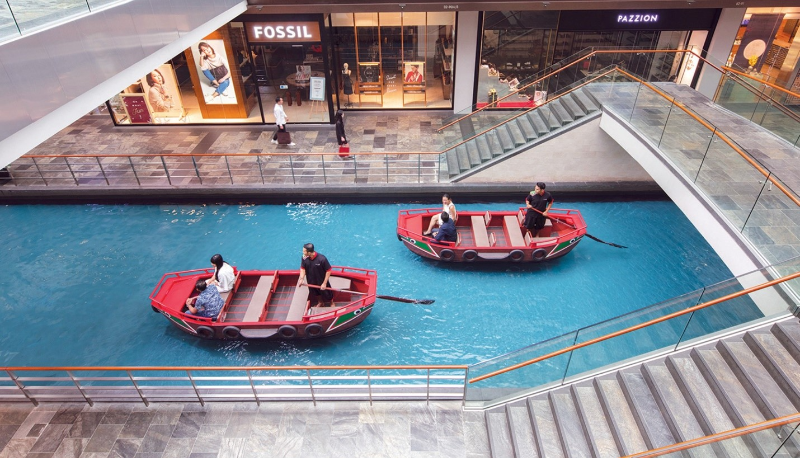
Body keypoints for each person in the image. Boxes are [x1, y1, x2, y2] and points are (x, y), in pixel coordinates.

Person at [297, 243, 334, 307]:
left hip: (321, 280)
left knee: (327, 292)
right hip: (311, 280)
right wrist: (301, 278)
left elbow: (328, 270)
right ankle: (321, 302)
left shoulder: (322, 259)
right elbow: (302, 268)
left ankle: (331, 303)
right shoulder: (304, 258)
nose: (303, 252)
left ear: (309, 252)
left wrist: (324, 283)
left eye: (304, 251)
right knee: (315, 292)